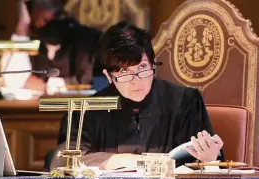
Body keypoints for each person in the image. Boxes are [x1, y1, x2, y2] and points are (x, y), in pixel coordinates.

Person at [49, 22, 224, 170]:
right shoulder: (87, 110)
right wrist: (123, 160)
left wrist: (210, 158)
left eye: (142, 68)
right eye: (125, 72)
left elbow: (209, 160)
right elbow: (60, 161)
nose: (136, 81)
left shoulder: (185, 101)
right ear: (109, 76)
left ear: (153, 65)